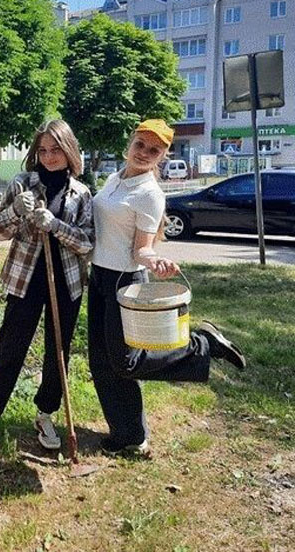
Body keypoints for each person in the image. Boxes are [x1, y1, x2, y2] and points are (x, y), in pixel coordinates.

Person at [88, 119, 246, 457]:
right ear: (129, 144)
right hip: (98, 276)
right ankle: (127, 435)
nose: (144, 153)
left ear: (163, 156)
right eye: (140, 145)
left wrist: (154, 260)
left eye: (154, 150)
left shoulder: (149, 193)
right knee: (102, 362)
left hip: (123, 281)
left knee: (127, 363)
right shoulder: (115, 179)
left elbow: (141, 248)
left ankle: (202, 344)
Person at [0, 120, 94, 452]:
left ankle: (45, 413)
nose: (49, 157)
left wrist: (56, 226)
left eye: (56, 150)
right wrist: (17, 211)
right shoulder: (21, 184)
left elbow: (88, 243)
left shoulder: (81, 193)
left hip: (67, 283)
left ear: (69, 151)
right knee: (10, 349)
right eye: (43, 150)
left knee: (57, 353)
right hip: (25, 282)